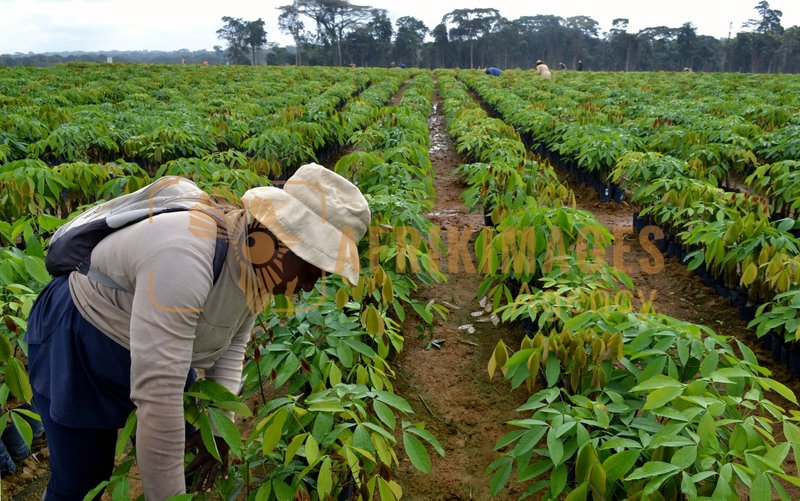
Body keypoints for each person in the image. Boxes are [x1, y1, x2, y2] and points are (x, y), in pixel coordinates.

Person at [25, 163, 371, 500]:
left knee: (192, 449)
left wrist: (222, 428)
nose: (311, 285)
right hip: (81, 339)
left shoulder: (259, 265)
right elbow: (159, 401)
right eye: (313, 266)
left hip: (159, 344)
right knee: (82, 480)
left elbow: (233, 343)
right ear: (278, 237)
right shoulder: (184, 255)